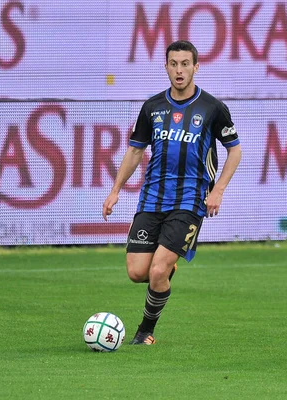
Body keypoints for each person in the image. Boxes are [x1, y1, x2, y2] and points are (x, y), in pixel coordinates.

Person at [102, 40, 241, 345]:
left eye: (185, 64)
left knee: (157, 271)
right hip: (152, 198)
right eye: (174, 64)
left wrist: (217, 191)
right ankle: (166, 268)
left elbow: (235, 151)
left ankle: (145, 331)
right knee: (137, 272)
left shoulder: (212, 108)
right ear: (166, 67)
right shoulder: (152, 107)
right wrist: (114, 191)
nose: (179, 70)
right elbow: (135, 152)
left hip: (191, 201)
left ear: (196, 67)